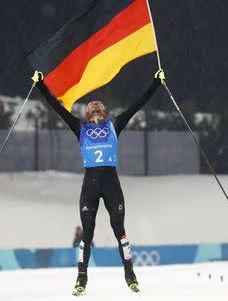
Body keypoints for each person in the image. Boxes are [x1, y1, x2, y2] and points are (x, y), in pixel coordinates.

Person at [34, 69, 165, 294]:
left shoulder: (114, 125)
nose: (95, 112)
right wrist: (41, 86)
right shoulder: (80, 127)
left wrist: (155, 83)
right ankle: (81, 278)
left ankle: (129, 273)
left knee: (118, 228)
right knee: (87, 233)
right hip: (91, 187)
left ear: (104, 113)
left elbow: (136, 106)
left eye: (98, 110)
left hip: (111, 185)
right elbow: (57, 108)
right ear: (87, 114)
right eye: (92, 110)